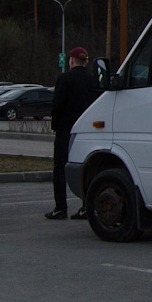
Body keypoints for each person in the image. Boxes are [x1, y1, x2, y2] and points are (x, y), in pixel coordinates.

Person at [46, 46, 98, 219]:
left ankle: (61, 207)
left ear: (71, 60)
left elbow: (57, 105)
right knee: (86, 168)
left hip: (66, 129)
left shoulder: (65, 79)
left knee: (60, 168)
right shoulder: (92, 81)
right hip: (86, 130)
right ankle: (86, 206)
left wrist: (56, 125)